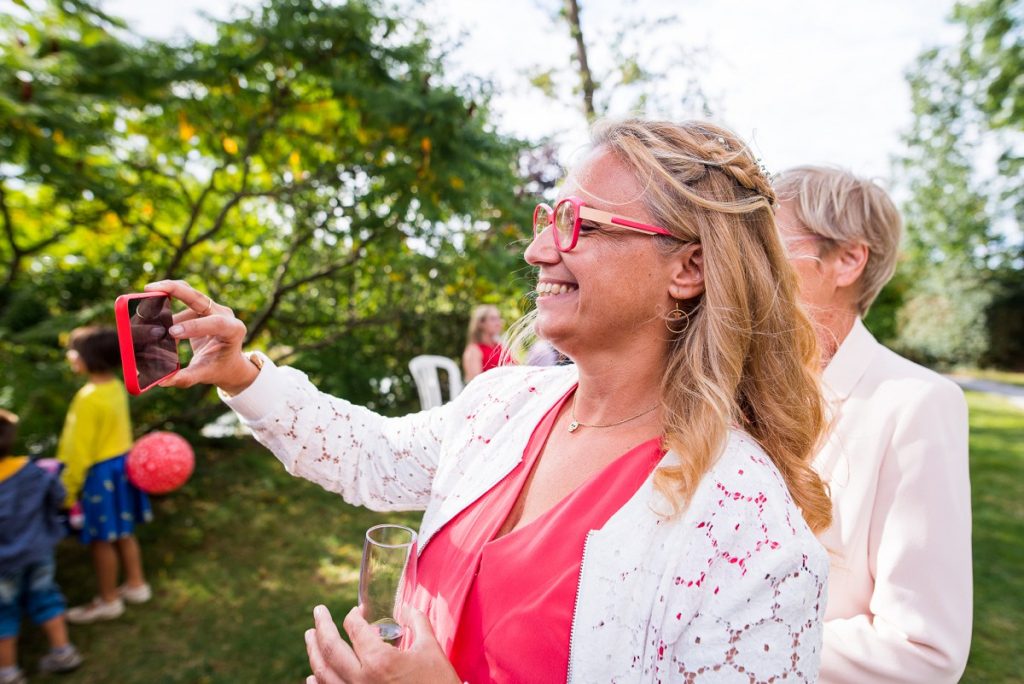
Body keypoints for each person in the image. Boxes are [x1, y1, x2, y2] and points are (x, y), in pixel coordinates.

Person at [149, 118, 833, 683]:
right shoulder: (505, 402)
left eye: (581, 225)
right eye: (547, 218)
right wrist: (240, 374)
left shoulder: (751, 533)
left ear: (688, 268)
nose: (538, 250)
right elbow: (372, 457)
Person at [773, 166, 972, 683]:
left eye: (768, 242)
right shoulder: (735, 394)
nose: (744, 265)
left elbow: (922, 650)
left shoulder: (917, 405)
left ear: (847, 260)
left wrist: (725, 645)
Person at [56, 326, 154, 624]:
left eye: (75, 350)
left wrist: (66, 489)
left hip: (99, 476)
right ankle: (137, 584)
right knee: (123, 531)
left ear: (90, 358)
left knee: (101, 540)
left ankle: (108, 599)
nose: (71, 355)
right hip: (121, 469)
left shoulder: (87, 398)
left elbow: (77, 451)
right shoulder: (114, 386)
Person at [0, 410, 83, 684]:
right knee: (46, 597)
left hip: (3, 565)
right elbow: (59, 496)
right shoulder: (31, 470)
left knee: (4, 613)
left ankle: (9, 672)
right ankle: (63, 652)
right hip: (40, 551)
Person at [461, 305, 508, 382]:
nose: (498, 323)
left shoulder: (501, 346)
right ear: (481, 323)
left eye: (499, 318)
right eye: (493, 319)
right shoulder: (474, 350)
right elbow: (475, 382)